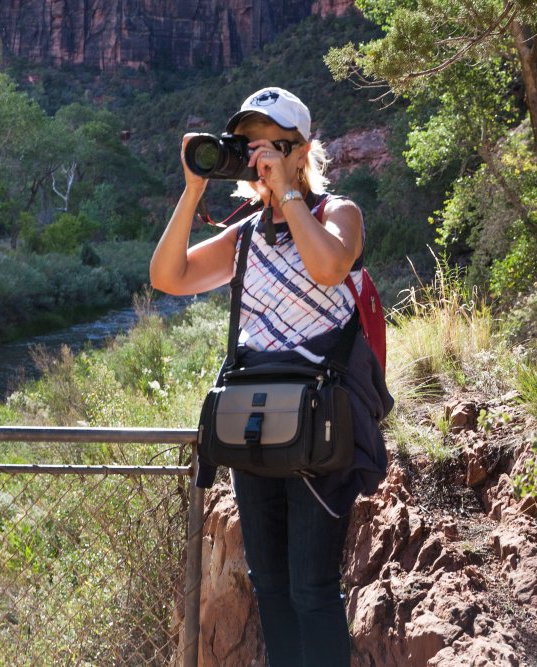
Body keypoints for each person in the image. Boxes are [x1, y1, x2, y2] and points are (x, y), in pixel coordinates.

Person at [150, 87, 392, 666]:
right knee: (272, 590)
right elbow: (168, 276)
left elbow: (330, 267)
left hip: (318, 431)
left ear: (301, 150)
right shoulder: (245, 237)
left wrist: (286, 191)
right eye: (247, 144)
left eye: (270, 144)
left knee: (311, 591)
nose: (256, 154)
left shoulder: (339, 214)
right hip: (254, 426)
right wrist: (192, 189)